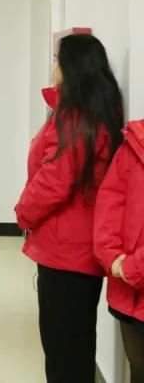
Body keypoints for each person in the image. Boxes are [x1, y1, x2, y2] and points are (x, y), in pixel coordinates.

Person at [15, 34, 123, 383]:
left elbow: (54, 180)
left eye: (56, 59)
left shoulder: (78, 119)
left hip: (67, 251)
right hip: (74, 248)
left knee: (64, 349)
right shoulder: (89, 111)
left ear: (72, 66)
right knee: (73, 344)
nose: (52, 66)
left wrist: (23, 212)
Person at [95, 122, 144, 382]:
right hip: (128, 291)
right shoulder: (134, 143)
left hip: (132, 273)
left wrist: (133, 267)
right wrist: (112, 256)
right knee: (138, 370)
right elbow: (111, 200)